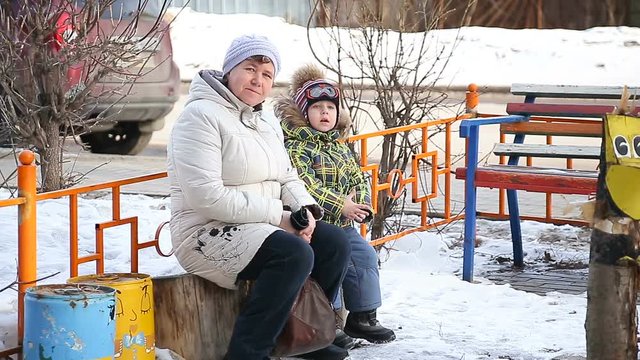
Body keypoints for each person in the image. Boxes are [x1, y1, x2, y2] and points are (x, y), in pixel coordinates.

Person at [167, 35, 352, 360]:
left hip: (258, 224)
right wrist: (279, 217)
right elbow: (207, 197)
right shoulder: (199, 117)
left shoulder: (265, 118)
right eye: (250, 69)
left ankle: (306, 334)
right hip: (207, 231)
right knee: (292, 254)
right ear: (229, 70)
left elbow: (286, 175)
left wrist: (305, 209)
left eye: (267, 74)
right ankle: (248, 352)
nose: (258, 80)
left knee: (334, 243)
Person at [275, 64, 397, 347]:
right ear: (305, 113)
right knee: (334, 263)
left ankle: (363, 316)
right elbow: (304, 185)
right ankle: (329, 322)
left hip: (345, 225)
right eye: (318, 108)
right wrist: (340, 204)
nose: (325, 113)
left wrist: (362, 201)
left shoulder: (338, 146)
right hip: (316, 226)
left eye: (330, 107)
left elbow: (357, 174)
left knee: (365, 255)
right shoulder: (296, 147)